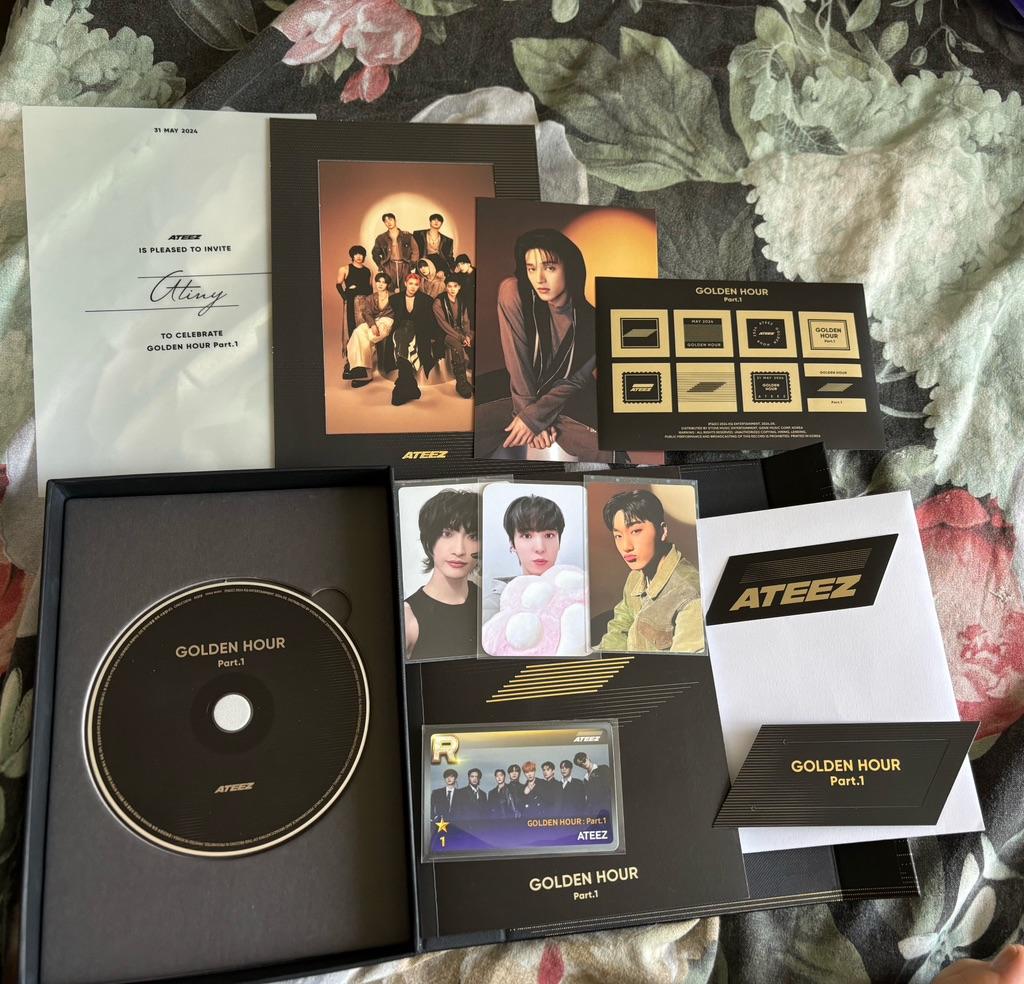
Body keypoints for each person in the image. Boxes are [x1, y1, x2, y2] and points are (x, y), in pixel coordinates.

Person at [477, 228, 611, 462]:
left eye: (549, 268)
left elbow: (575, 381)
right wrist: (530, 418)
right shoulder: (514, 292)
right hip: (521, 387)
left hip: (566, 398)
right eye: (531, 268)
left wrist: (534, 418)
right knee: (464, 426)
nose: (539, 279)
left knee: (608, 449)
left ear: (570, 267)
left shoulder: (595, 321)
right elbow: (517, 359)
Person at [597, 488, 704, 654]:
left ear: (662, 531)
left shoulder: (690, 594)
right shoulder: (635, 577)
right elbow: (619, 628)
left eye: (635, 531)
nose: (626, 546)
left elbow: (685, 665)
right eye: (618, 536)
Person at [403, 487, 480, 661]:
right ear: (429, 541)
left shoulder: (491, 604)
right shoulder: (408, 618)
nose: (459, 550)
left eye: (473, 536)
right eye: (447, 534)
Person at [482, 495, 565, 624]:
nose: (540, 548)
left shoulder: (576, 595)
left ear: (559, 541)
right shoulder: (493, 607)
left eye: (549, 535)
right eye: (527, 536)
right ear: (512, 544)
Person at [389, 272, 439, 406]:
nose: (413, 287)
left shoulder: (426, 300)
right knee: (401, 339)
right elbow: (389, 317)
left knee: (404, 344)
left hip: (418, 331)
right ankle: (410, 387)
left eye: (416, 284)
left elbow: (431, 321)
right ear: (405, 283)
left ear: (419, 286)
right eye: (410, 283)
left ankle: (402, 387)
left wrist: (434, 337)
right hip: (400, 329)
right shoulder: (395, 299)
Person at [346, 272, 395, 387]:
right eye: (378, 281)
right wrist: (372, 325)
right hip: (374, 321)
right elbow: (367, 313)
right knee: (357, 332)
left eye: (384, 282)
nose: (380, 284)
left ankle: (362, 370)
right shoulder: (370, 298)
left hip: (387, 321)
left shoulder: (394, 296)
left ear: (387, 284)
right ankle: (361, 370)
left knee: (368, 337)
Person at [433, 277, 473, 399]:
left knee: (473, 338)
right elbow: (443, 324)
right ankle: (461, 383)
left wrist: (467, 335)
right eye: (449, 286)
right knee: (457, 346)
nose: (452, 289)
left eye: (455, 286)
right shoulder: (438, 302)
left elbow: (465, 321)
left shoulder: (461, 300)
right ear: (446, 287)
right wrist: (461, 337)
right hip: (443, 332)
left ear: (459, 287)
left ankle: (471, 379)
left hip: (458, 330)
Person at [336, 245, 372, 379]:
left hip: (364, 303)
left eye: (361, 254)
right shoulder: (345, 269)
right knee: (350, 329)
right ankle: (350, 361)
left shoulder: (368, 271)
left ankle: (362, 362)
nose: (359, 256)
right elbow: (338, 285)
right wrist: (346, 297)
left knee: (362, 331)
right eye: (356, 254)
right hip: (351, 303)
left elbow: (370, 288)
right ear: (352, 255)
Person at [371, 212, 418, 290]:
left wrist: (412, 264)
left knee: (405, 288)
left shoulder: (407, 236)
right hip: (389, 266)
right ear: (384, 223)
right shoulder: (381, 238)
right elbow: (375, 253)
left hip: (405, 265)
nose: (389, 222)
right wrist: (381, 265)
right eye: (386, 221)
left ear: (395, 220)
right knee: (389, 288)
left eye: (390, 219)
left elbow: (415, 250)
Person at [452, 253, 476, 327]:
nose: (460, 267)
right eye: (458, 265)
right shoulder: (459, 275)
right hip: (463, 299)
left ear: (468, 263)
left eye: (462, 264)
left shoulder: (477, 273)